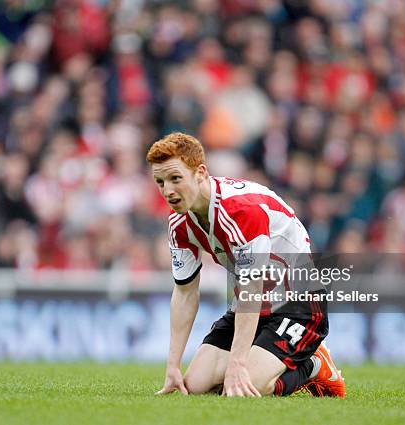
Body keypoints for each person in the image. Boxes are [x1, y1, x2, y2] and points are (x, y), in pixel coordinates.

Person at [146, 132, 346, 397]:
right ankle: (261, 360)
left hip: (299, 306)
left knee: (243, 388)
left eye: (175, 179)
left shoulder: (241, 210)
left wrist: (238, 365)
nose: (167, 191)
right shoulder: (179, 224)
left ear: (200, 173)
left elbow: (252, 288)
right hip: (253, 307)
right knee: (193, 387)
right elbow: (184, 293)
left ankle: (313, 366)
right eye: (160, 182)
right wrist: (172, 366)